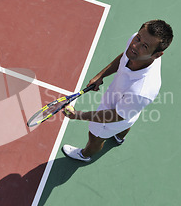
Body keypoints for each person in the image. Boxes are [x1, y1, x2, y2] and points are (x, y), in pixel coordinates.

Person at [62, 19, 173, 162]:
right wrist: (100, 75)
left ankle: (85, 154)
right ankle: (119, 137)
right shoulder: (136, 48)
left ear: (157, 55)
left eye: (144, 46)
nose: (134, 45)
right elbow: (125, 56)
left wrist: (78, 115)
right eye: (138, 38)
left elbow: (117, 115)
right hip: (129, 110)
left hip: (115, 115)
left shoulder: (142, 91)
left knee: (95, 138)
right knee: (129, 120)